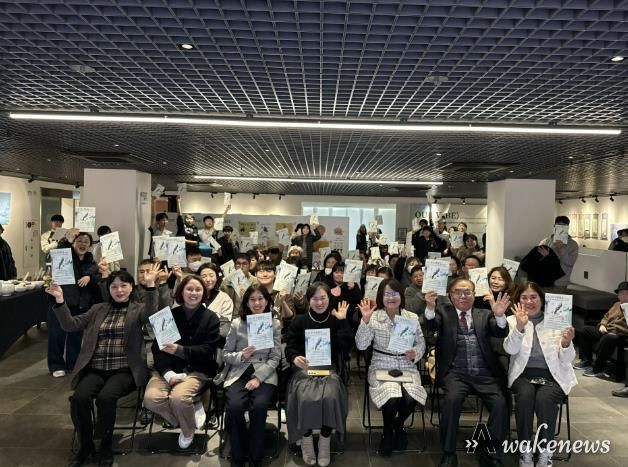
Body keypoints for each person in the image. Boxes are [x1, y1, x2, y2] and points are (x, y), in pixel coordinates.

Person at [45, 266, 160, 467]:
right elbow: (70, 325)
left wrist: (151, 286)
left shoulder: (138, 309)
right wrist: (60, 300)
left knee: (106, 398)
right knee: (79, 399)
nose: (119, 290)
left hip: (125, 370)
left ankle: (105, 446)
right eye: (114, 286)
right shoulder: (98, 309)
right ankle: (86, 445)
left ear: (131, 287)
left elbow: (152, 316)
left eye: (124, 285)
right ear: (108, 290)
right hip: (96, 368)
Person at [424, 278, 510, 467]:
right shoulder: (443, 313)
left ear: (474, 294)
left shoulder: (485, 314)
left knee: (500, 403)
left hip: (484, 373)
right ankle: (449, 453)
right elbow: (431, 325)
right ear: (450, 295)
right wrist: (430, 307)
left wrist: (500, 316)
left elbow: (499, 332)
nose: (463, 296)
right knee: (451, 401)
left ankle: (490, 453)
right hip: (456, 374)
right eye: (458, 292)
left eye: (467, 292)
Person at [503, 282, 577, 467]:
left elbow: (568, 359)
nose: (529, 301)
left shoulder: (558, 319)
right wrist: (519, 327)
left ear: (542, 300)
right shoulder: (511, 320)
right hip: (522, 374)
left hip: (553, 374)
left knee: (545, 400)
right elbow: (510, 350)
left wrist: (566, 343)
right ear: (518, 300)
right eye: (524, 297)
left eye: (533, 297)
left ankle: (545, 452)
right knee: (525, 396)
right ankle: (525, 450)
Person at [144, 274, 221, 449]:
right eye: (189, 289)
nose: (193, 293)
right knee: (151, 399)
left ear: (204, 293)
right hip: (168, 369)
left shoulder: (211, 318)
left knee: (178, 398)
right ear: (181, 291)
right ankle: (188, 418)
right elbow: (158, 350)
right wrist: (167, 373)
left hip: (197, 370)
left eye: (198, 289)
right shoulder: (168, 316)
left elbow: (209, 350)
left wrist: (180, 350)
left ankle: (187, 431)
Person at [356, 279, 427, 456]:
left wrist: (415, 353)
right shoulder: (374, 316)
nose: (391, 298)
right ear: (381, 296)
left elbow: (421, 343)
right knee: (392, 396)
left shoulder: (411, 317)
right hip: (381, 364)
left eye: (394, 293)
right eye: (387, 294)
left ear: (401, 296)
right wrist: (365, 321)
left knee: (411, 397)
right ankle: (388, 430)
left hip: (406, 365)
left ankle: (398, 424)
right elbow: (361, 345)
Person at [285, 283, 353, 467]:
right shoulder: (299, 321)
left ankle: (324, 439)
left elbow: (346, 348)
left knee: (330, 397)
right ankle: (306, 438)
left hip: (329, 370)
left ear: (329, 299)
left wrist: (343, 321)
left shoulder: (335, 320)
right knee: (305, 397)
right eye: (315, 298)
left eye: (323, 298)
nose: (319, 302)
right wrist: (295, 358)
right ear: (309, 301)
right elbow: (290, 347)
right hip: (304, 371)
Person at [222, 285, 282, 467]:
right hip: (238, 371)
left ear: (267, 301)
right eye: (252, 299)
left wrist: (258, 378)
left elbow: (275, 357)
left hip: (264, 373)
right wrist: (241, 355)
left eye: (260, 299)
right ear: (246, 303)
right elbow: (225, 354)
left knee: (260, 406)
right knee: (234, 406)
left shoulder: (274, 324)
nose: (257, 303)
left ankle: (256, 457)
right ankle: (239, 455)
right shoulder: (237, 323)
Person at [48, 230, 101, 378]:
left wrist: (90, 276)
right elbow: (60, 251)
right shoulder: (66, 256)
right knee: (57, 335)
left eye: (86, 241)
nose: (82, 243)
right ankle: (56, 365)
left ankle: (73, 363)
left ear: (90, 246)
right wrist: (67, 240)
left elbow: (96, 277)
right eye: (79, 241)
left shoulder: (92, 263)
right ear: (73, 243)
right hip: (60, 302)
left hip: (81, 304)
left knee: (76, 336)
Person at [573, 281, 628, 377]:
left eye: (624, 293)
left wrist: (615, 331)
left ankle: (598, 368)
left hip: (620, 334)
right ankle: (586, 360)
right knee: (585, 330)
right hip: (607, 330)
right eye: (620, 293)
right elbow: (606, 316)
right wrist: (603, 325)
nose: (621, 295)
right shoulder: (617, 304)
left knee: (609, 337)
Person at [538, 216, 579, 288]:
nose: (561, 228)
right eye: (559, 225)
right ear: (555, 226)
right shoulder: (545, 242)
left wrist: (561, 249)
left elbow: (570, 262)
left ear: (568, 227)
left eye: (564, 225)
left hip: (561, 283)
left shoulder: (573, 245)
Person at [198, 263, 234, 337]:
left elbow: (224, 329)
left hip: (214, 340)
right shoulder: (192, 296)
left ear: (217, 278)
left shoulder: (224, 299)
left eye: (211, 276)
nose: (208, 279)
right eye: (204, 276)